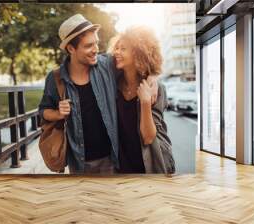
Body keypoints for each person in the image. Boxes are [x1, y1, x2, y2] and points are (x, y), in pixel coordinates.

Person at [38, 14, 120, 174]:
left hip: (112, 160)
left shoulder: (107, 65)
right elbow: (43, 111)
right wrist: (58, 114)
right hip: (79, 164)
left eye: (96, 43)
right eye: (89, 45)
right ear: (71, 48)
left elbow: (137, 60)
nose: (96, 49)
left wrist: (152, 78)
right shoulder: (55, 78)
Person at [109, 26, 175, 174]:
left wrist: (145, 103)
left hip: (151, 161)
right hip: (122, 163)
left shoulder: (155, 89)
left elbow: (148, 137)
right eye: (117, 48)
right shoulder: (113, 85)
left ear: (139, 53)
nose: (116, 53)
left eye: (123, 49)